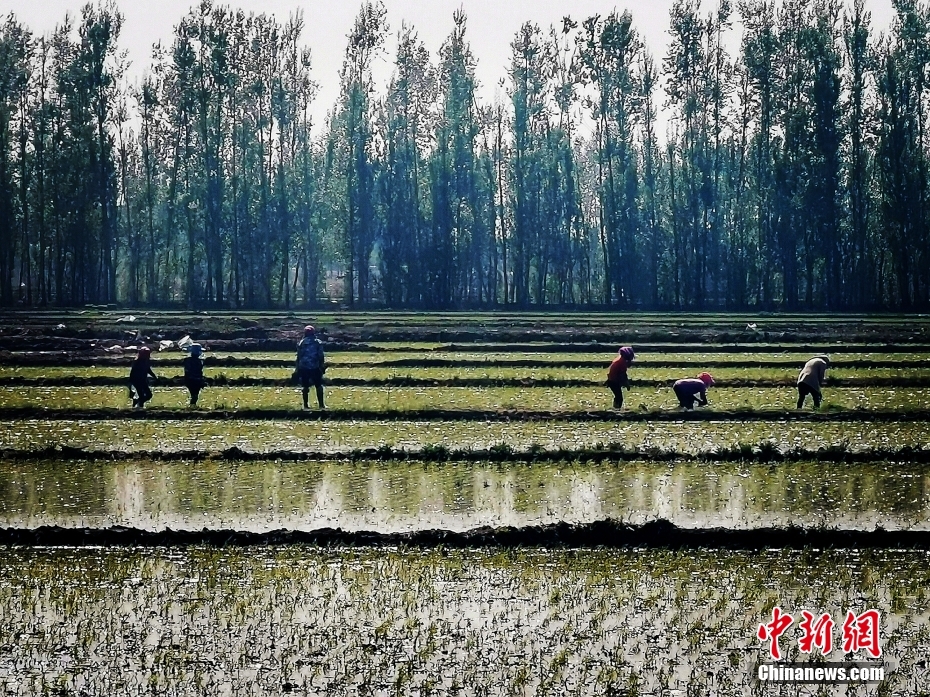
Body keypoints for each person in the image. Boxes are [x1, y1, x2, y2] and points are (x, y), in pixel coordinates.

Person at [296, 325, 326, 410]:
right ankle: (321, 405)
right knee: (319, 385)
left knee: (305, 386)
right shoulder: (317, 342)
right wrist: (322, 365)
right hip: (315, 366)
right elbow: (321, 355)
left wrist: (297, 368)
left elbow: (299, 356)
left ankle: (305, 405)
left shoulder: (302, 342)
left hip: (304, 367)